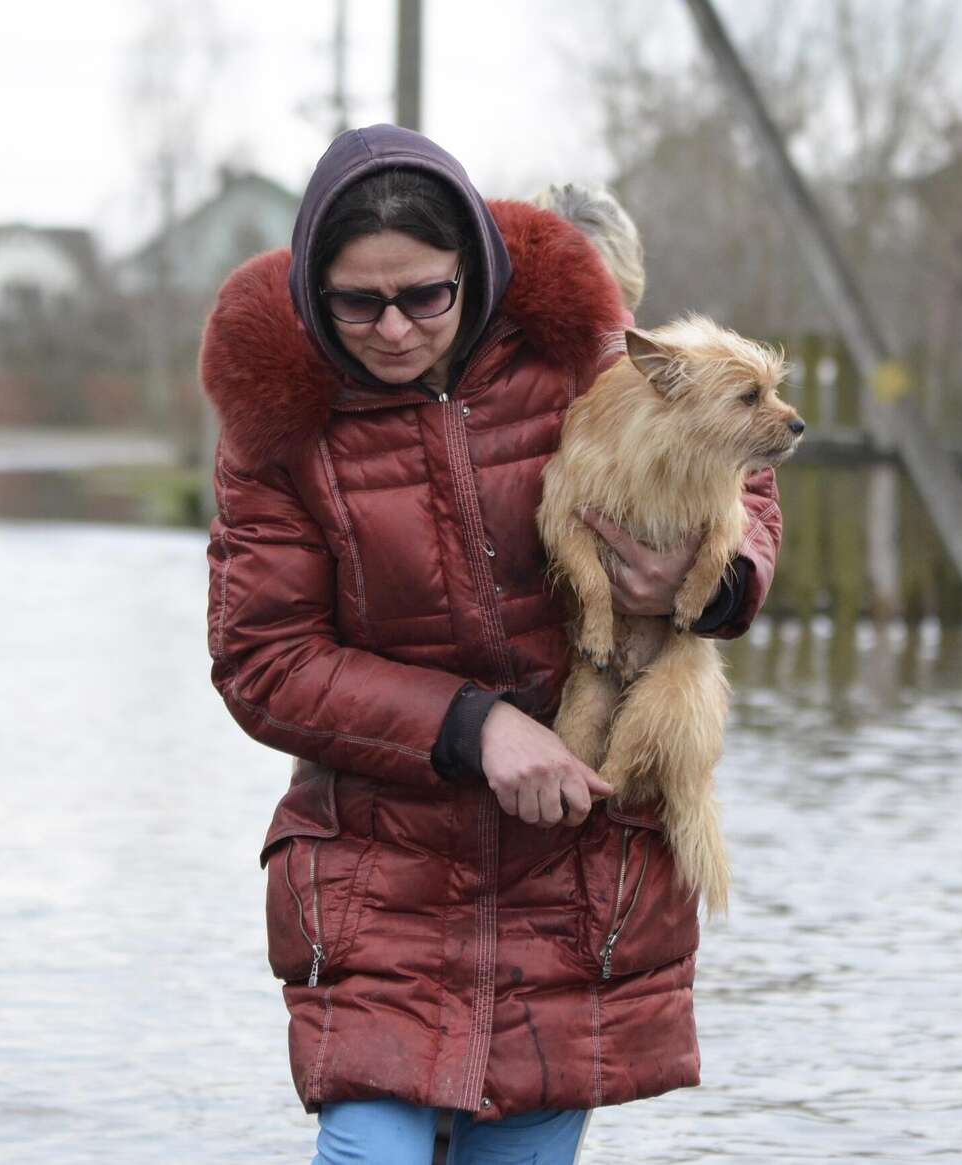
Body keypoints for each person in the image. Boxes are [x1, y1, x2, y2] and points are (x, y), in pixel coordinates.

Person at [200, 125, 784, 1165]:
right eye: (355, 302)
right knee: (365, 1151)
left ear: (473, 266)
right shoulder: (276, 425)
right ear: (308, 293)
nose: (390, 328)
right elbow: (263, 661)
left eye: (423, 294)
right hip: (380, 865)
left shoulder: (573, 343)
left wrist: (714, 581)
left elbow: (736, 459)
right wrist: (475, 730)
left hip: (573, 866)